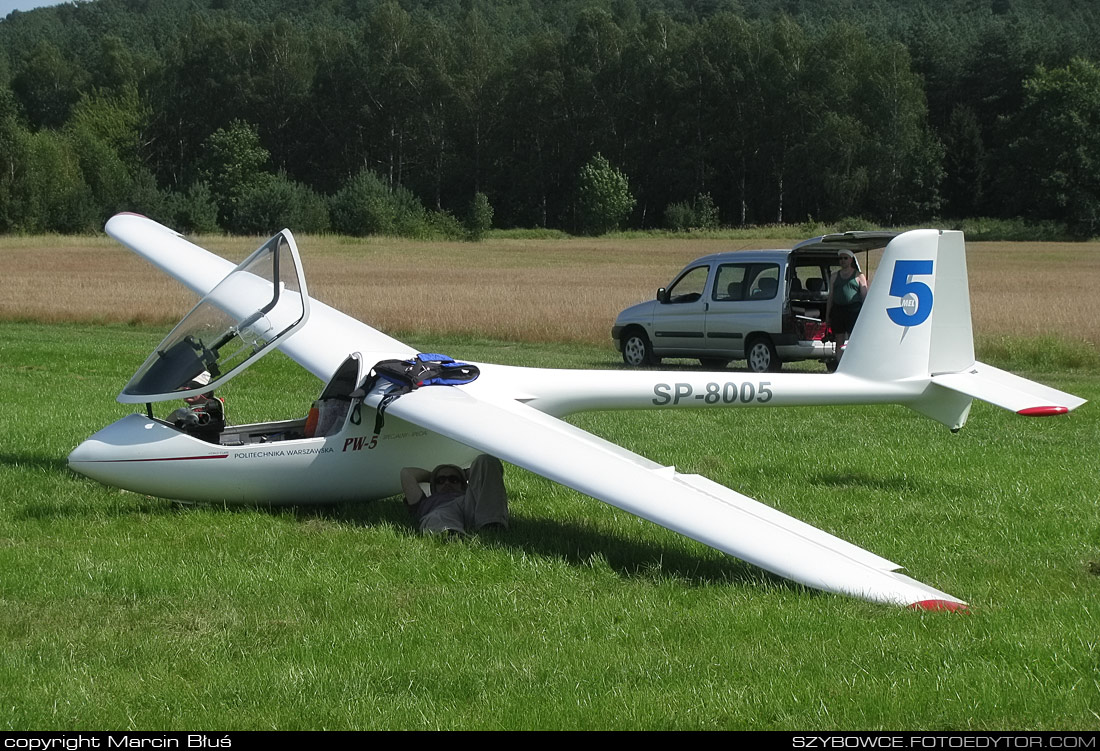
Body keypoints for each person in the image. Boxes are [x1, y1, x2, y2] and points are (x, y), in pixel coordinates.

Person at [400, 455, 509, 536]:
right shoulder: (423, 502)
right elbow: (406, 474)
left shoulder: (470, 496)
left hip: (469, 507)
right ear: (433, 487)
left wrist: (464, 474)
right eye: (441, 480)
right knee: (438, 516)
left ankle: (492, 526)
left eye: (453, 479)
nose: (447, 483)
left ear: (463, 485)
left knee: (486, 460)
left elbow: (486, 468)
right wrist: (432, 476)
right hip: (441, 512)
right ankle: (452, 536)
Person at [825, 249, 868, 360]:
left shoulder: (859, 276)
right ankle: (839, 364)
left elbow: (864, 296)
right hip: (838, 310)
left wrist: (865, 315)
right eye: (840, 258)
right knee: (839, 340)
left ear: (851, 259)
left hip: (853, 310)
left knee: (853, 339)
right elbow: (830, 297)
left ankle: (854, 363)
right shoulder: (834, 276)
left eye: (845, 258)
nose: (843, 261)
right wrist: (827, 315)